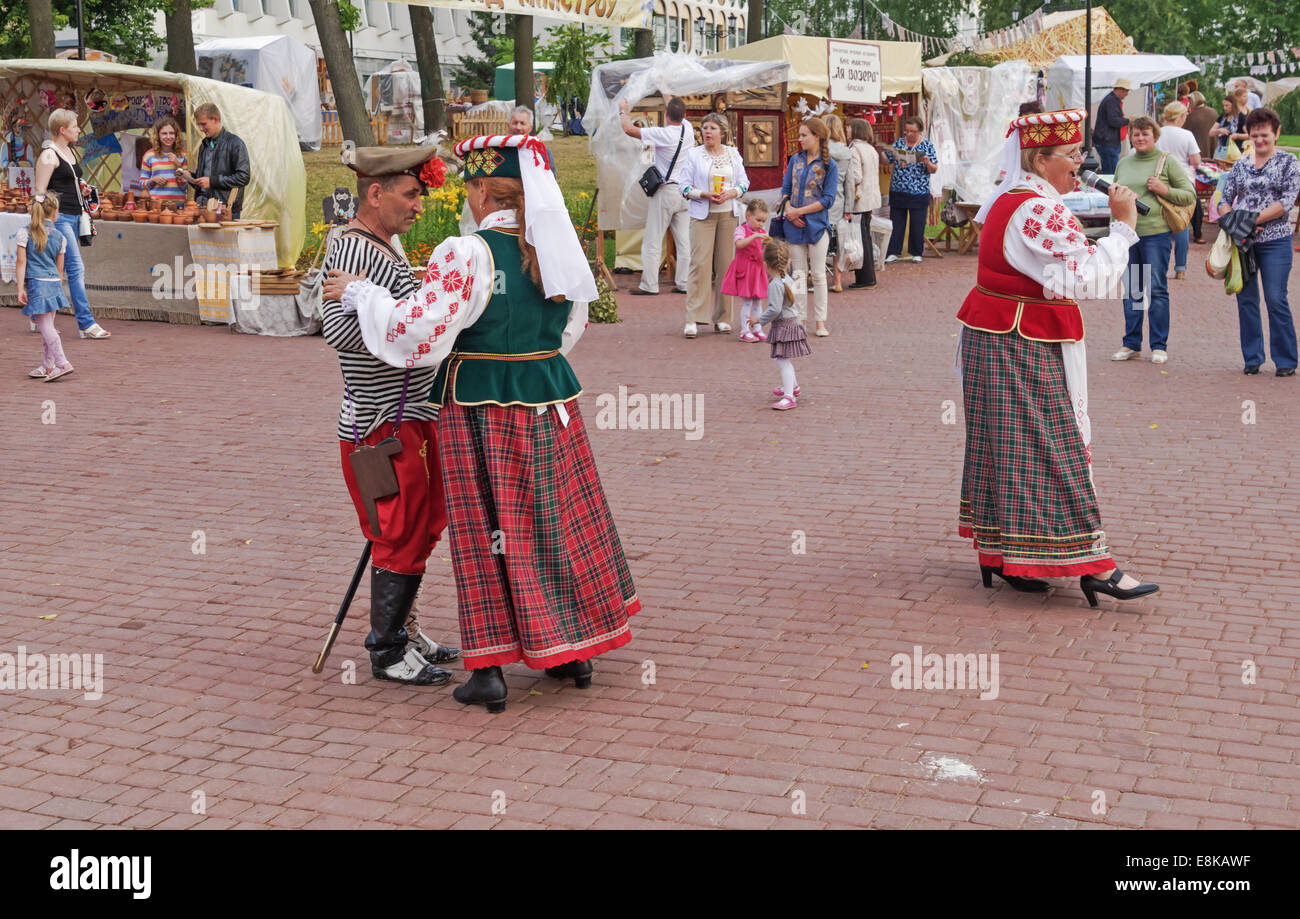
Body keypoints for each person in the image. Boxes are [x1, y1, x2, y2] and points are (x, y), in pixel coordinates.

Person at [325, 134, 639, 714]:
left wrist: (363, 294)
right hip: (552, 409)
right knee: (552, 523)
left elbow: (416, 333)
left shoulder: (467, 252)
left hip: (482, 415)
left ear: (478, 189)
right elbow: (571, 330)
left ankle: (490, 669)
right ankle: (571, 652)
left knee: (487, 533)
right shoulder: (555, 248)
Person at [957, 107, 1158, 607]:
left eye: (1078, 154)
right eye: (1069, 156)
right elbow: (1082, 278)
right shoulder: (1036, 207)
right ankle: (1094, 564)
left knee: (1006, 447)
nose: (1078, 164)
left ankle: (1007, 558)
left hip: (997, 336)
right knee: (1052, 447)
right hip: (1020, 343)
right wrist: (1123, 229)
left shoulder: (1010, 196)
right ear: (1039, 158)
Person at [319, 142, 461, 687]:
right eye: (410, 195)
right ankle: (386, 650)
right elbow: (342, 333)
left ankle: (405, 629)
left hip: (408, 415)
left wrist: (409, 307)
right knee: (397, 531)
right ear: (375, 194)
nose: (419, 206)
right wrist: (413, 315)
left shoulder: (383, 246)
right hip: (380, 422)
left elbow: (398, 318)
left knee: (420, 529)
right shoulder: (359, 250)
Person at [1218, 107, 1300, 377]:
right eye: (1255, 135)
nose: (1260, 140)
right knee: (1246, 298)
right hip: (1244, 242)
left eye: (1265, 134)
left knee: (1276, 298)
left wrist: (1251, 219)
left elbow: (1287, 201)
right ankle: (1252, 357)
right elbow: (1224, 199)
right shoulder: (1241, 165)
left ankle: (1286, 360)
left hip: (1276, 240)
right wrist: (1232, 220)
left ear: (1276, 134)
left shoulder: (1289, 163)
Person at [1111, 116, 1195, 364]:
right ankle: (1131, 343)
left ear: (1155, 136)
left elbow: (1189, 195)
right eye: (1136, 134)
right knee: (1133, 290)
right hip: (1129, 236)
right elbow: (1115, 196)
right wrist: (1113, 228)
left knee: (1156, 289)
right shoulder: (1123, 164)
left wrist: (1164, 189)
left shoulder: (1166, 161)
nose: (1140, 138)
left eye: (1145, 134)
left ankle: (1159, 345)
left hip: (1156, 235)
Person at [32, 108, 110, 339]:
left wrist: (82, 187)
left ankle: (37, 315)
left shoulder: (69, 150)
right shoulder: (48, 155)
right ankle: (86, 324)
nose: (79, 129)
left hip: (76, 215)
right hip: (60, 218)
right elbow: (40, 193)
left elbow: (70, 179)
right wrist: (43, 223)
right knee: (75, 269)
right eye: (75, 125)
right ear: (62, 130)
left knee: (53, 268)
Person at [678, 112, 749, 338]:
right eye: (704, 128)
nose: (707, 132)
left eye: (712, 128)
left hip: (728, 214)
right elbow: (684, 186)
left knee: (726, 266)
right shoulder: (694, 155)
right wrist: (703, 194)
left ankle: (723, 317)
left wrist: (733, 192)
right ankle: (693, 317)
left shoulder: (733, 154)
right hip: (702, 215)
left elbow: (744, 183)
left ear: (723, 132)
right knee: (699, 264)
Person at [619, 95, 693, 296]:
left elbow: (629, 129)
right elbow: (672, 101)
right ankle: (685, 282)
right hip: (685, 193)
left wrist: (623, 110)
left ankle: (650, 284)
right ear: (684, 114)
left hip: (666, 192)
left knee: (653, 238)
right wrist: (663, 84)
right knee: (684, 241)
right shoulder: (689, 128)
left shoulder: (663, 133)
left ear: (666, 116)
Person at [780, 117, 838, 337]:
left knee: (818, 274)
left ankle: (820, 322)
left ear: (817, 136)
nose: (800, 139)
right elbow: (785, 189)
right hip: (793, 225)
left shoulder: (828, 164)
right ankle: (800, 319)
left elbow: (828, 199)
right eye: (800, 134)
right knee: (798, 274)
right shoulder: (795, 160)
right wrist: (788, 209)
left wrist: (799, 212)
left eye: (804, 135)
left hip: (817, 225)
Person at [17, 192, 74, 382]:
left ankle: (62, 363)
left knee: (45, 327)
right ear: (55, 212)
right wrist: (57, 287)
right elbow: (60, 270)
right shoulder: (60, 237)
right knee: (48, 326)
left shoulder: (25, 233)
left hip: (37, 285)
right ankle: (48, 365)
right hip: (54, 285)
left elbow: (21, 262)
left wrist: (20, 289)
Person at [752, 239, 810, 411]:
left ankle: (789, 396)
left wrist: (759, 320)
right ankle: (792, 387)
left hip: (784, 324)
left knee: (782, 359)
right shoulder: (787, 279)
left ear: (765, 264)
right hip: (790, 322)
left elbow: (775, 309)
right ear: (788, 261)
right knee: (782, 358)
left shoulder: (775, 284)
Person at [880, 115, 938, 266]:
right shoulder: (899, 143)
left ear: (919, 131)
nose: (909, 134)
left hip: (919, 191)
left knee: (917, 224)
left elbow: (934, 169)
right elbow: (886, 160)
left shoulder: (927, 145)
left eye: (912, 131)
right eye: (907, 131)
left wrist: (927, 163)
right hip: (898, 189)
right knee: (896, 223)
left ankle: (916, 252)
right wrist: (883, 152)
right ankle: (893, 252)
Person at [1156, 101, 1203, 275]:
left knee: (1161, 224)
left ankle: (1160, 266)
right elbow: (1196, 160)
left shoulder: (1156, 133)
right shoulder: (1187, 135)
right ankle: (1180, 268)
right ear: (1181, 117)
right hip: (1183, 180)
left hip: (1160, 180)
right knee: (1181, 223)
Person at [182, 103, 250, 217]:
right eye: (199, 125)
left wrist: (212, 181)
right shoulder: (204, 145)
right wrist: (190, 177)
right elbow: (205, 181)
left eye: (203, 124)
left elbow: (244, 177)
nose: (200, 128)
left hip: (224, 210)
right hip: (202, 207)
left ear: (215, 119)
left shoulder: (235, 143)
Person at [723, 198, 771, 342]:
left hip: (758, 270)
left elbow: (766, 252)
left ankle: (757, 328)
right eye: (758, 220)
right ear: (748, 215)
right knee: (747, 302)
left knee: (758, 301)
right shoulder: (741, 230)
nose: (761, 224)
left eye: (763, 221)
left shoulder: (764, 232)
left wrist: (768, 249)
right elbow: (739, 244)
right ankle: (745, 330)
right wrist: (755, 236)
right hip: (746, 269)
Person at [823, 113, 856, 293]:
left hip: (820, 201)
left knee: (818, 241)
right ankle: (837, 280)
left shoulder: (819, 151)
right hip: (839, 200)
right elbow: (849, 183)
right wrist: (849, 208)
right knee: (837, 244)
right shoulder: (845, 152)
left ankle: (816, 277)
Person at [847, 117, 880, 290]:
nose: (846, 131)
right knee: (865, 236)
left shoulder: (854, 150)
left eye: (849, 128)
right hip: (870, 198)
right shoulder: (870, 149)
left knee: (860, 239)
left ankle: (865, 276)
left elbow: (856, 177)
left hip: (859, 200)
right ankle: (868, 275)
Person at [140, 115, 188, 206]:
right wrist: (153, 180)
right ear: (158, 135)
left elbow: (185, 186)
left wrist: (178, 165)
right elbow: (142, 184)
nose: (168, 137)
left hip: (178, 206)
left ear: (176, 135)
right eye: (164, 133)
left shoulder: (183, 155)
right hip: (156, 206)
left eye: (172, 133)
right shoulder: (149, 155)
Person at [1093, 78, 1131, 174]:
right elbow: (1113, 121)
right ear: (1119, 89)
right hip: (1107, 142)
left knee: (1109, 170)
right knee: (1111, 173)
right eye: (1126, 91)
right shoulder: (1112, 101)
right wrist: (1129, 120)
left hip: (1107, 141)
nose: (1127, 94)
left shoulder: (1111, 99)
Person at [1210, 95, 1249, 160]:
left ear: (1233, 105)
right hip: (1221, 152)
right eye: (1224, 105)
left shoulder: (1241, 118)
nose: (1224, 108)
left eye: (1227, 105)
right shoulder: (1223, 117)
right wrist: (1219, 130)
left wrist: (1237, 136)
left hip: (1236, 153)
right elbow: (1211, 132)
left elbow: (1250, 135)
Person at [1185, 91, 1218, 166]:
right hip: (1213, 151)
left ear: (1193, 101)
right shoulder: (1213, 112)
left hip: (1198, 153)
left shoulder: (1191, 117)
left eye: (1189, 102)